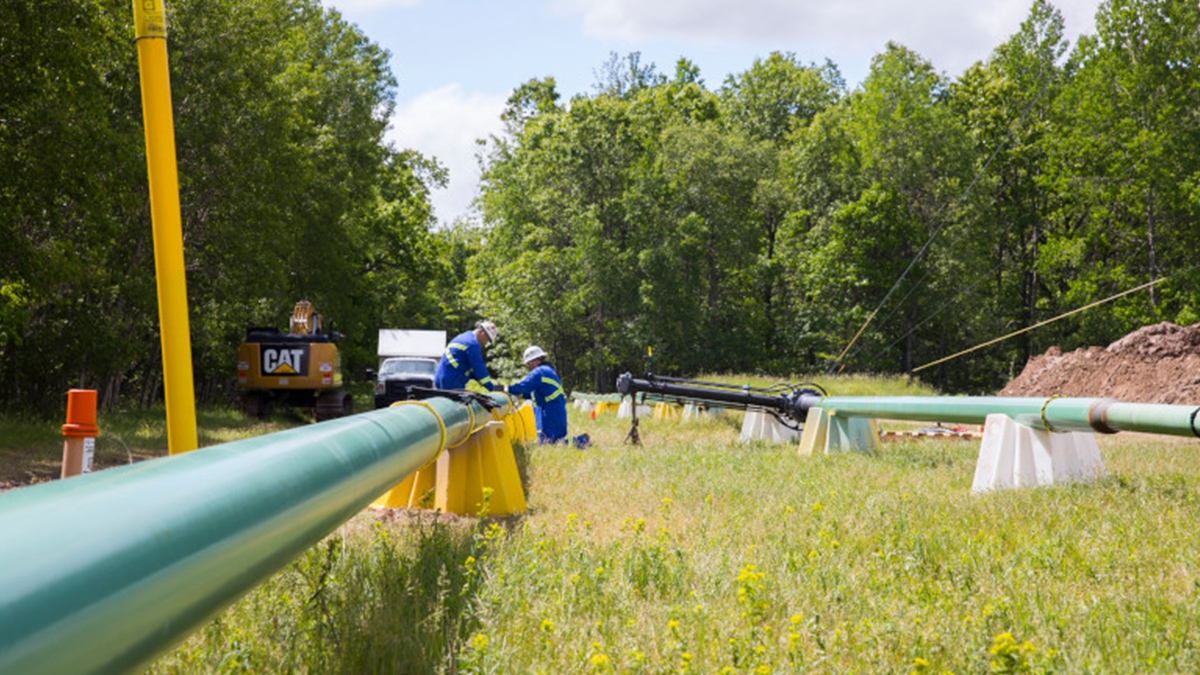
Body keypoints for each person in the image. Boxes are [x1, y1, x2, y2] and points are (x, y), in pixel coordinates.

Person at [506, 345, 570, 444]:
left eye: (528, 363)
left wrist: (507, 389)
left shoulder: (539, 372)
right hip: (554, 412)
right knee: (548, 442)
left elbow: (524, 386)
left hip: (550, 414)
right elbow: (531, 394)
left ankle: (581, 440)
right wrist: (520, 395)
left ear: (535, 360)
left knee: (552, 443)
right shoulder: (548, 371)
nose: (527, 366)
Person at [434, 320, 499, 391]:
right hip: (453, 381)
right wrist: (491, 387)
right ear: (483, 333)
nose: (485, 343)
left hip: (441, 377)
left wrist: (476, 377)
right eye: (487, 339)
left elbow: (468, 367)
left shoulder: (464, 337)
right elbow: (478, 368)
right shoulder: (472, 344)